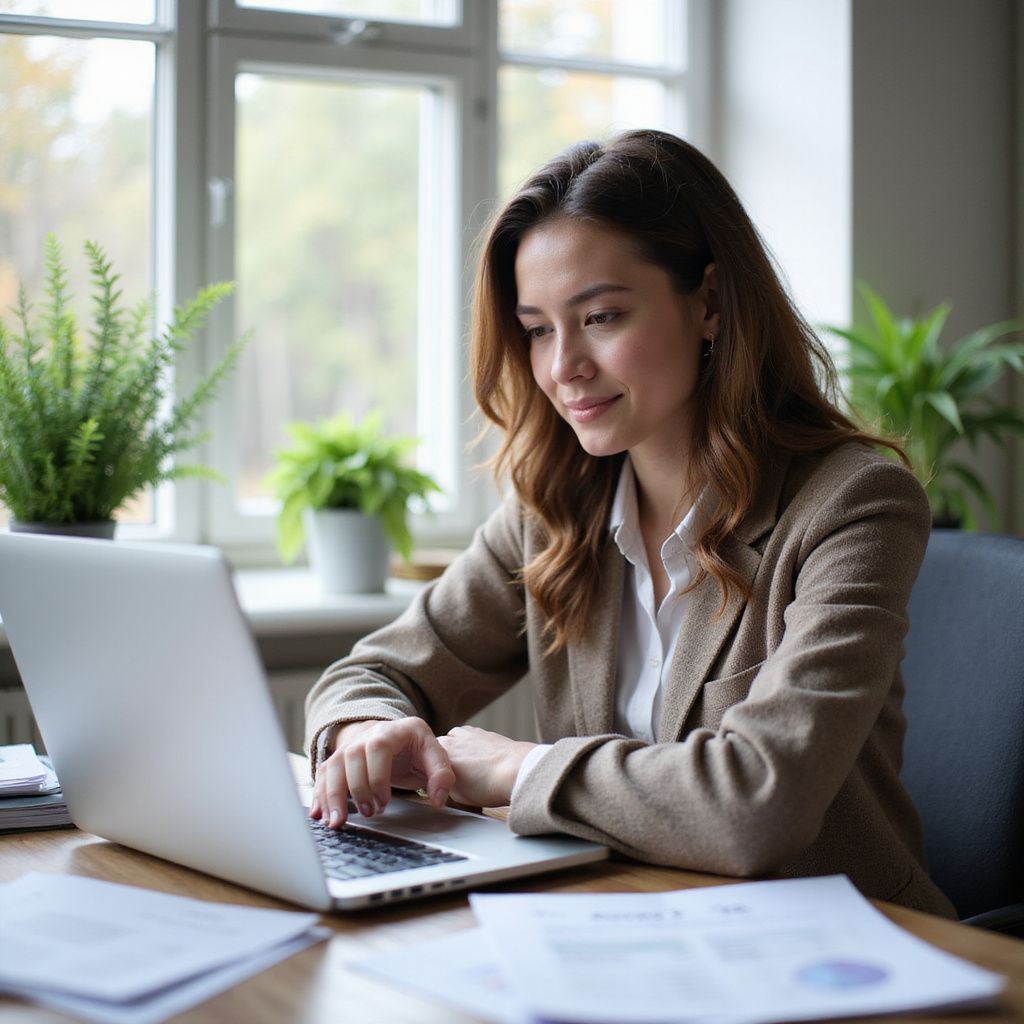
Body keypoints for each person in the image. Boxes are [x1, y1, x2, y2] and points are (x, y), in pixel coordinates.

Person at [305, 129, 955, 918]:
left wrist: (518, 770)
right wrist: (367, 728)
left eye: (602, 316)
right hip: (624, 922)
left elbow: (760, 803)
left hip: (836, 949)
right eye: (539, 328)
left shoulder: (855, 504)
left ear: (710, 303)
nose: (562, 366)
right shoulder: (555, 510)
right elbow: (373, 672)